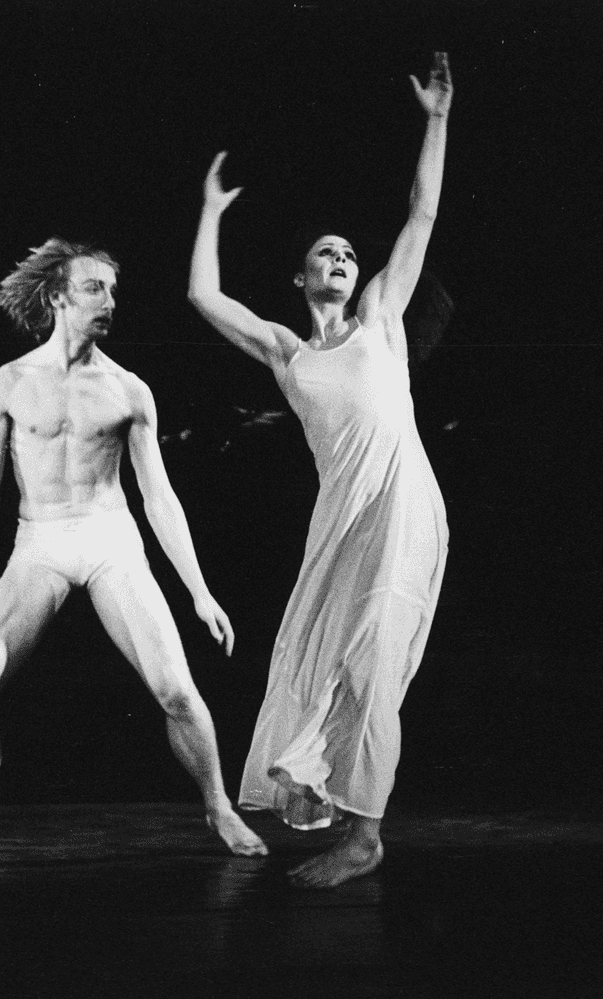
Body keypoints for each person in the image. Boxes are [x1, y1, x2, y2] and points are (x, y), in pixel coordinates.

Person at [0, 238, 267, 861]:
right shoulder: (9, 383)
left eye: (113, 291)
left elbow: (160, 498)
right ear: (57, 298)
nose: (109, 302)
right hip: (40, 540)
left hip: (109, 539)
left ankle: (219, 809)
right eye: (94, 289)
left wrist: (199, 591)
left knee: (177, 689)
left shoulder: (129, 390)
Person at [186, 53, 454, 888]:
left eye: (346, 252)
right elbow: (203, 298)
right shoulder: (287, 352)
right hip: (340, 518)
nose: (340, 259)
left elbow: (420, 214)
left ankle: (366, 834)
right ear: (300, 278)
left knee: (374, 657)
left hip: (402, 498)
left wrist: (437, 120)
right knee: (318, 652)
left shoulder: (380, 314)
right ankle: (343, 803)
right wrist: (208, 212)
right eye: (324, 255)